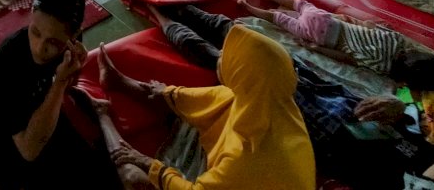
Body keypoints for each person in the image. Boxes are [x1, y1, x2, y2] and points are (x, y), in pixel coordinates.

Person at [80, 25, 315, 190]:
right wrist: (163, 92)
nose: (221, 55)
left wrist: (146, 162)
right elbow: (198, 99)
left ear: (243, 76)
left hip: (235, 178)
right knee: (178, 103)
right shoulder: (267, 100)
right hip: (239, 173)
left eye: (227, 56)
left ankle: (101, 114)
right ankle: (116, 81)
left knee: (131, 176)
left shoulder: (244, 160)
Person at [0, 0, 119, 190]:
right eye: (35, 32)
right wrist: (60, 82)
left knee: (98, 166)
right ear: (31, 16)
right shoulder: (9, 62)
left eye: (53, 42)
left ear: (73, 36)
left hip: (34, 110)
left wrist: (74, 70)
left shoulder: (71, 43)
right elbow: (29, 150)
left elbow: (67, 86)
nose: (39, 48)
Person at [238, 0, 405, 74]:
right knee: (280, 20)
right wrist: (316, 48)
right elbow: (345, 58)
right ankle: (248, 7)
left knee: (302, 5)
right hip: (322, 39)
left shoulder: (396, 39)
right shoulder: (382, 68)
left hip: (329, 22)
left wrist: (364, 27)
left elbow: (370, 25)